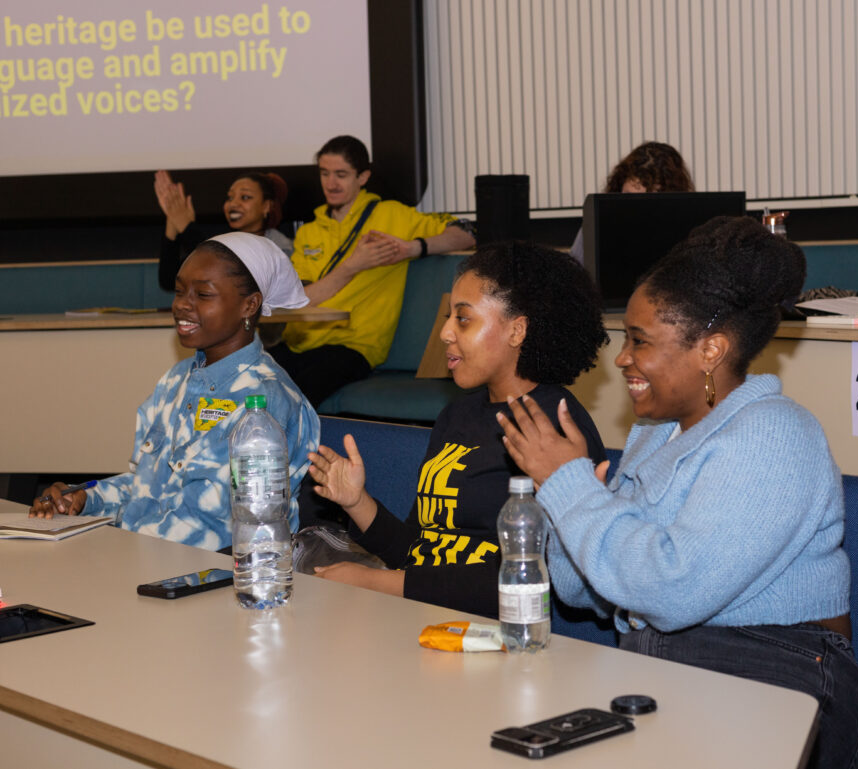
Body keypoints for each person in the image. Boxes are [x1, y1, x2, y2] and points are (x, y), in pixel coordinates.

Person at [499, 217, 858, 768]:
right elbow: (586, 593)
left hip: (776, 670)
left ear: (711, 350)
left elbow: (672, 592)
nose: (622, 357)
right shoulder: (656, 431)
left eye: (640, 341)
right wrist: (567, 494)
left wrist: (571, 486)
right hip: (663, 665)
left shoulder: (774, 434)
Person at [305, 242, 608, 618]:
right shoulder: (456, 416)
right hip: (431, 621)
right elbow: (419, 554)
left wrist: (375, 583)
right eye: (448, 317)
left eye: (463, 319)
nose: (445, 332)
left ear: (517, 331)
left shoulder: (556, 430)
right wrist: (356, 502)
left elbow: (530, 580)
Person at [31, 233, 320, 552]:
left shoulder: (267, 400)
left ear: (249, 305)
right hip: (143, 562)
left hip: (213, 578)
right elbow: (146, 487)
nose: (182, 304)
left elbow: (222, 528)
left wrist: (111, 552)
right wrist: (84, 499)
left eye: (203, 294)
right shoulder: (177, 380)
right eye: (180, 291)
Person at [268, 135, 476, 409]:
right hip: (299, 344)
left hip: (353, 347)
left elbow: (468, 233)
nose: (331, 183)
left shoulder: (392, 216)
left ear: (363, 177)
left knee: (292, 398)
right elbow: (300, 299)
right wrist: (353, 265)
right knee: (244, 380)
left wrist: (414, 248)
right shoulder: (309, 231)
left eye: (341, 174)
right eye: (325, 173)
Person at [155, 169, 292, 292]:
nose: (233, 204)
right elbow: (169, 280)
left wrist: (186, 227)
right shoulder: (225, 242)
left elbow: (230, 277)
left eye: (245, 197)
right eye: (230, 197)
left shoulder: (279, 245)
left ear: (266, 206)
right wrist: (172, 221)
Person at [569, 141, 695, 263]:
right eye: (628, 196)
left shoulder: (689, 233)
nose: (635, 209)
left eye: (645, 200)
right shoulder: (596, 225)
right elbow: (573, 274)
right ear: (619, 187)